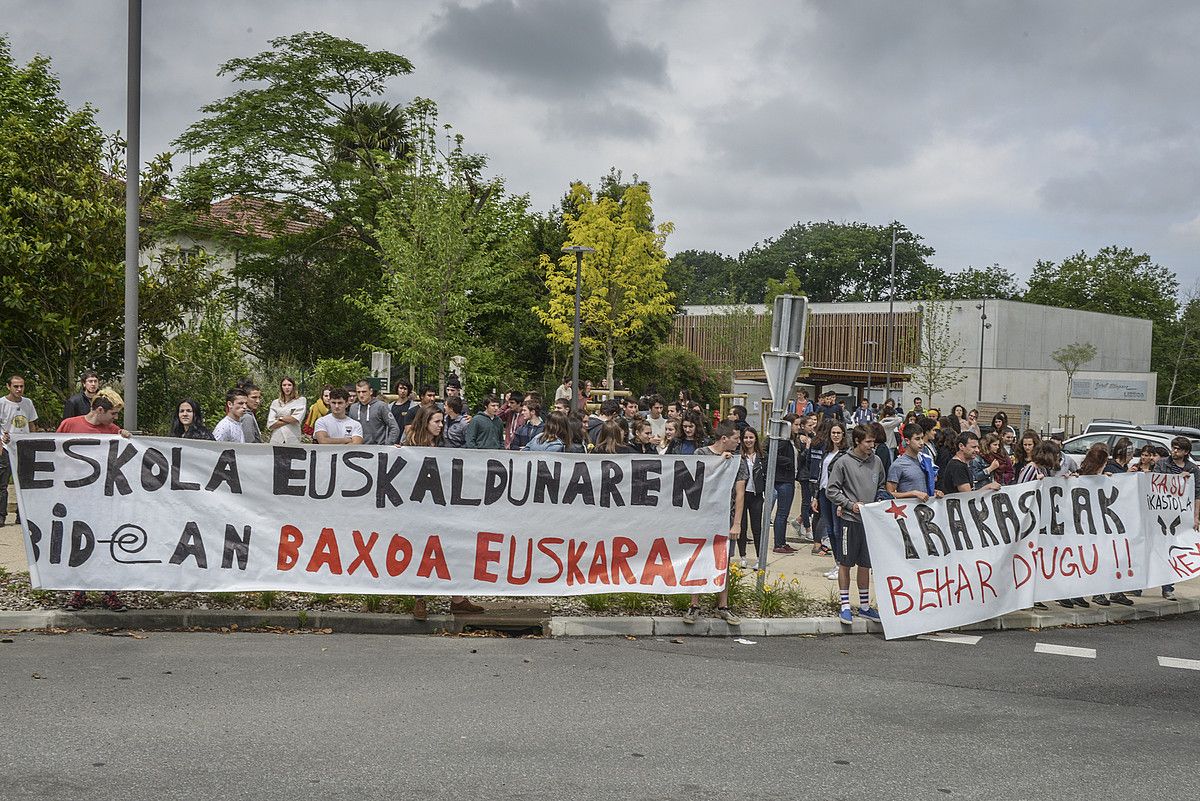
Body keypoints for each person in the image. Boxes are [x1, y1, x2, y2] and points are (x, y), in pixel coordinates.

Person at [401, 405, 484, 620]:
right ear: (425, 422)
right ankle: (420, 600)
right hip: (418, 509)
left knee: (450, 550)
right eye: (436, 422)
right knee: (422, 555)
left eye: (441, 422)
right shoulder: (409, 446)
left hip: (441, 508)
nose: (440, 425)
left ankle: (458, 600)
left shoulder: (441, 444)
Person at [60, 393, 131, 612]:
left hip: (103, 498)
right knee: (78, 543)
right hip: (76, 497)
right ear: (100, 410)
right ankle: (78, 592)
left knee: (105, 542)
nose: (115, 418)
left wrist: (124, 435)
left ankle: (110, 593)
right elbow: (50, 449)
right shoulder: (69, 425)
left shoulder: (112, 430)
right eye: (114, 413)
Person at [682, 421, 744, 626]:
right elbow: (694, 480)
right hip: (702, 516)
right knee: (698, 558)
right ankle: (694, 604)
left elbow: (740, 493)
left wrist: (737, 523)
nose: (739, 442)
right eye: (736, 438)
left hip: (725, 517)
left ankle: (723, 606)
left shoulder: (738, 460)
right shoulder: (701, 452)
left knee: (723, 561)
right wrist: (718, 463)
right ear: (724, 439)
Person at [825, 424, 886, 625]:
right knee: (845, 562)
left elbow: (882, 486)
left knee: (865, 564)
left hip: (870, 523)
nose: (872, 445)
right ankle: (844, 606)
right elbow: (831, 491)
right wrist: (850, 505)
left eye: (873, 441)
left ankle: (865, 606)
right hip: (850, 521)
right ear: (858, 441)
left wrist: (878, 500)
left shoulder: (876, 461)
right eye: (868, 442)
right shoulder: (843, 463)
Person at [1150, 436, 1200, 601]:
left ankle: (1168, 587)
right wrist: (1178, 478)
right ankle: (1140, 586)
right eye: (1173, 448)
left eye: (1178, 449)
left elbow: (1197, 494)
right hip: (1160, 515)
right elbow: (1156, 483)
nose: (1174, 451)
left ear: (1186, 452)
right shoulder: (1162, 464)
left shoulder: (1193, 469)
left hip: (1179, 518)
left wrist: (1196, 516)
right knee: (1153, 550)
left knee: (1173, 552)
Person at [0, 375, 39, 526]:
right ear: (8, 386)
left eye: (21, 386)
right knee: (3, 484)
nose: (19, 389)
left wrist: (34, 441)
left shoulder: (28, 403)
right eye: (16, 386)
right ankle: (1, 515)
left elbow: (32, 423)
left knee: (24, 483)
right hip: (6, 447)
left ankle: (21, 515)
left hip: (24, 447)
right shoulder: (2, 403)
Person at [886, 422, 938, 502]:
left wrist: (935, 492)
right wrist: (913, 493)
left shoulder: (925, 461)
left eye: (922, 438)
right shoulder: (898, 465)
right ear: (907, 441)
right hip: (908, 510)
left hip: (926, 509)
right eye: (917, 439)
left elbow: (924, 488)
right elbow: (889, 494)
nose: (921, 442)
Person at [737, 427, 766, 567]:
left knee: (757, 527)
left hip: (756, 495)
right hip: (742, 495)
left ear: (755, 439)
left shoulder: (762, 456)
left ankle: (760, 557)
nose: (748, 440)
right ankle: (742, 556)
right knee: (741, 526)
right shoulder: (738, 456)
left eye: (751, 437)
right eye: (746, 438)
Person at [349, 380, 400, 445]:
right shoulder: (353, 408)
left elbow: (394, 427)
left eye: (364, 392)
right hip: (357, 449)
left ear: (371, 391)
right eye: (358, 392)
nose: (361, 395)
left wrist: (388, 445)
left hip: (378, 448)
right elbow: (349, 429)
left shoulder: (381, 406)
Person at [267, 377, 307, 444]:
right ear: (281, 387)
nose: (287, 387)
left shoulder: (301, 400)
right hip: (277, 438)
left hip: (292, 437)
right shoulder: (275, 402)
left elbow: (295, 419)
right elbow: (270, 424)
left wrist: (279, 418)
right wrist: (289, 418)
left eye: (289, 385)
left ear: (293, 386)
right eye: (284, 385)